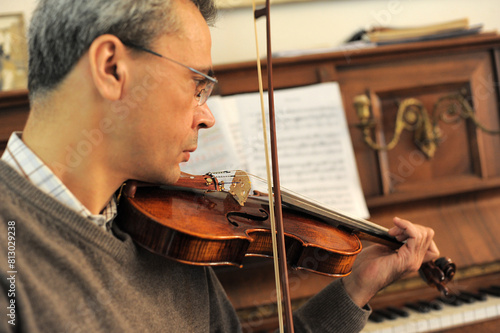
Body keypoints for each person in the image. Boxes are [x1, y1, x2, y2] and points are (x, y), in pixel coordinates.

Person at [0, 0, 440, 332]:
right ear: (112, 68)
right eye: (196, 85)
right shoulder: (13, 268)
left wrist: (357, 286)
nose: (207, 115)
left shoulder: (168, 232)